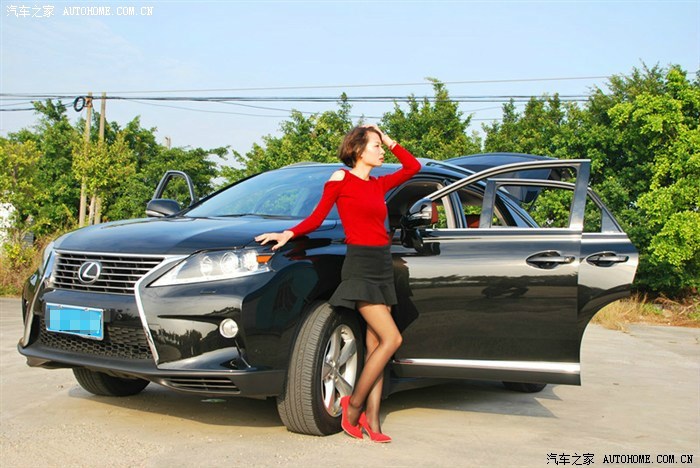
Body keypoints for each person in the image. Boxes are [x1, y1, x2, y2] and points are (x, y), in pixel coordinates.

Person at [255, 124, 420, 442]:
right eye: (376, 145)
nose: (382, 151)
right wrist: (289, 233)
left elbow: (413, 167)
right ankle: (353, 407)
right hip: (360, 265)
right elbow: (317, 218)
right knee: (392, 339)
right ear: (358, 150)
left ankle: (373, 421)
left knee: (376, 345)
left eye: (381, 146)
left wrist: (389, 139)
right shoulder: (340, 179)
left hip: (382, 265)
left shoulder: (379, 184)